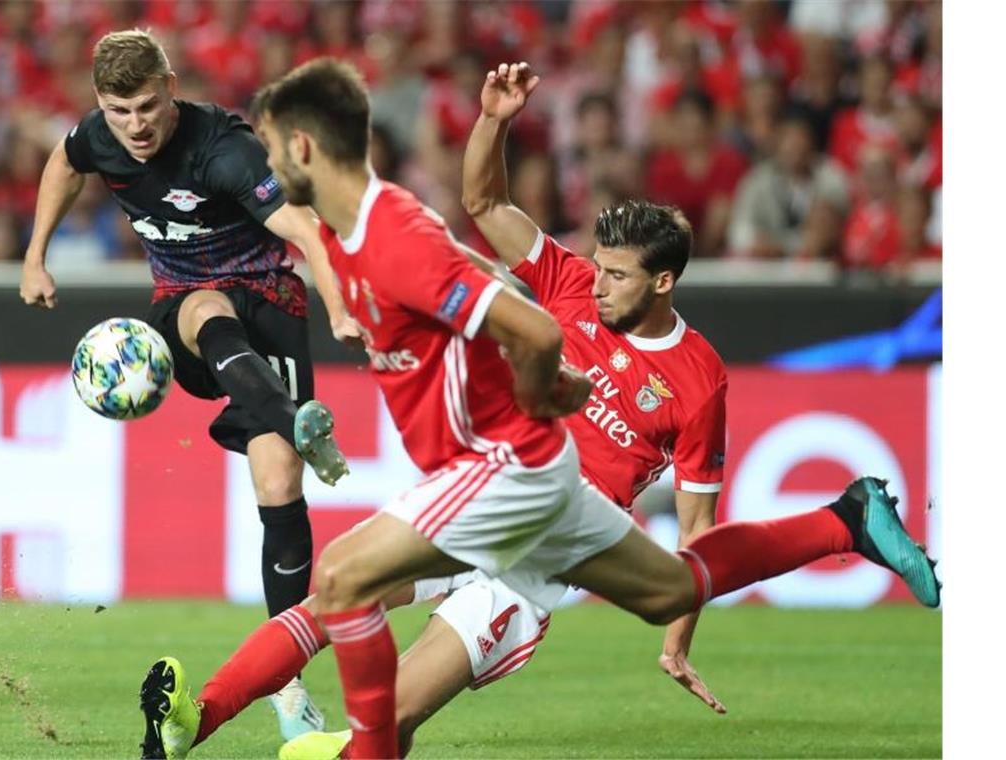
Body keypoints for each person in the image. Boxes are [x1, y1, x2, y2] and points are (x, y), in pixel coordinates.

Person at [140, 58, 941, 760]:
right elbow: (486, 218)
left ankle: (224, 728)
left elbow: (523, 325)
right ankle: (846, 518)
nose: (266, 168)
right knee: (668, 589)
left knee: (347, 592)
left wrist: (542, 389)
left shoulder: (398, 240)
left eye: (275, 151)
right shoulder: (352, 234)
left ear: (306, 149)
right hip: (540, 484)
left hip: (504, 473)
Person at [16, 30, 356, 753]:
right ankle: (290, 415)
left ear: (170, 85)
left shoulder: (223, 151)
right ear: (102, 105)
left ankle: (289, 687)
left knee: (278, 485)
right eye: (118, 111)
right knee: (203, 308)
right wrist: (35, 254)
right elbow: (64, 161)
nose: (134, 125)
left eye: (145, 106)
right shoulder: (98, 138)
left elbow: (304, 228)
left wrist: (338, 304)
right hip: (187, 305)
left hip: (270, 300)